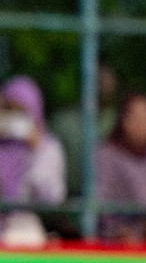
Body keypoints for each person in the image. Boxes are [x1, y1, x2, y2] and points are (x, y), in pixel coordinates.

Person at [95, 91, 146, 245]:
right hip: (113, 237)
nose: (141, 124)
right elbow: (99, 202)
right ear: (123, 121)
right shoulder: (106, 154)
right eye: (136, 118)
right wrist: (121, 230)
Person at [0, 76, 66, 247]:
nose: (16, 117)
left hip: (24, 225)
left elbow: (52, 197)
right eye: (10, 110)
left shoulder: (48, 147)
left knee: (24, 234)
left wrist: (36, 152)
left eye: (21, 111)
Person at [50, 61, 117, 195]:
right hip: (68, 201)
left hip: (112, 203)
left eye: (107, 81)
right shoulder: (62, 122)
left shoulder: (119, 121)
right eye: (99, 80)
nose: (104, 85)